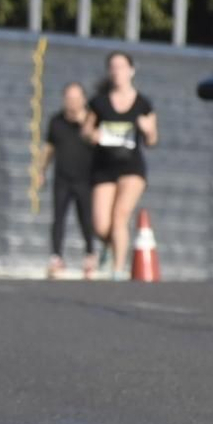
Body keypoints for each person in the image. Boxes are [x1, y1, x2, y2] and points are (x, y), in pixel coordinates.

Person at [83, 50, 157, 280]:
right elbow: (86, 130)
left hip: (131, 167)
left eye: (122, 67)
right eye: (113, 67)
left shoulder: (143, 103)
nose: (117, 72)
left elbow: (153, 140)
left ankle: (117, 269)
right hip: (104, 166)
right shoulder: (99, 102)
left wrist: (148, 129)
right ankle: (110, 244)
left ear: (131, 71)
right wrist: (91, 135)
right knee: (101, 224)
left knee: (120, 216)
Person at [38, 82, 95, 279]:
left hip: (85, 178)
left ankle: (90, 255)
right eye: (68, 98)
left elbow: (101, 144)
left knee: (86, 219)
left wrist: (84, 124)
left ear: (83, 100)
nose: (72, 103)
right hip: (62, 177)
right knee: (58, 218)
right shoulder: (56, 121)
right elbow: (49, 148)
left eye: (76, 98)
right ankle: (56, 257)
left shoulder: (91, 120)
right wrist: (41, 170)